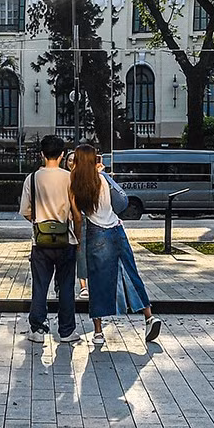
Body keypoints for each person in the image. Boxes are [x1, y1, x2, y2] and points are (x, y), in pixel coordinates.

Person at [68, 145, 159, 345]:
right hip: (116, 229)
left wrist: (78, 239)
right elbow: (119, 202)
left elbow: (77, 216)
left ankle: (98, 332)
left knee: (97, 280)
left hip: (96, 232)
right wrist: (105, 174)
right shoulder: (102, 178)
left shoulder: (74, 182)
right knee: (130, 271)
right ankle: (149, 316)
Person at [18, 134, 81, 343]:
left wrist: (40, 224)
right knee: (66, 287)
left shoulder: (33, 178)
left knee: (40, 286)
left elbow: (26, 211)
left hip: (40, 242)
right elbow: (76, 211)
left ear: (42, 154)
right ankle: (66, 331)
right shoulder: (69, 177)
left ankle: (37, 329)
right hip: (67, 240)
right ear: (63, 155)